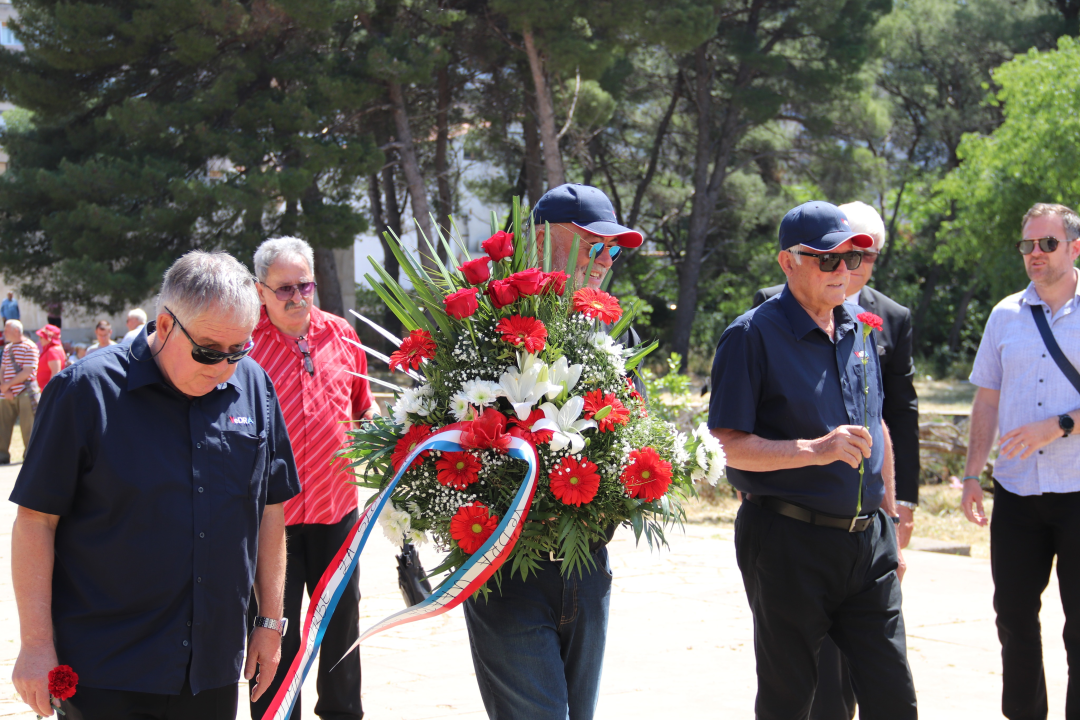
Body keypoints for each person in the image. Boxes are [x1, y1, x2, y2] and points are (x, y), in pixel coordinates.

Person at [9, 251, 301, 720]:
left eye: (238, 349)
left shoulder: (255, 387)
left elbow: (269, 510)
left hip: (211, 667)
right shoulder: (84, 392)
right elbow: (35, 520)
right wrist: (36, 643)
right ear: (165, 325)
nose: (224, 366)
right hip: (106, 666)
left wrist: (269, 622)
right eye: (209, 350)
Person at [709, 200, 916, 719]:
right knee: (792, 700)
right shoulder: (750, 335)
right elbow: (726, 445)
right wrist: (816, 450)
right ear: (788, 261)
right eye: (828, 259)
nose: (843, 270)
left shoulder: (861, 327)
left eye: (853, 258)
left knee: (894, 698)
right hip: (789, 542)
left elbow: (877, 426)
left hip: (868, 544)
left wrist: (890, 518)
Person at [462, 183, 643, 720]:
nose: (606, 261)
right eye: (594, 246)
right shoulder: (486, 327)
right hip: (509, 572)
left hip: (587, 567)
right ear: (541, 242)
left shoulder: (611, 332)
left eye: (614, 251)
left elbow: (634, 433)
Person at [247, 236, 377, 720]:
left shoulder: (342, 335)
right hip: (270, 520)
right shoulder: (244, 347)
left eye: (304, 285)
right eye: (284, 288)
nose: (297, 296)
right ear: (260, 291)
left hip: (336, 510)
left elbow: (364, 412)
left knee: (342, 626)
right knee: (274, 631)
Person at [961, 202, 1080, 720]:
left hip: (1078, 491)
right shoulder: (1004, 314)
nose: (1035, 253)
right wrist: (972, 474)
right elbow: (987, 399)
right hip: (1016, 492)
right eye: (1027, 245)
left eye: (1047, 244)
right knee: (1012, 617)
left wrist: (1057, 425)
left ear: (1075, 248)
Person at [0, 320, 39, 464]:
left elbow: (27, 372)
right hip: (7, 392)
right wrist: (4, 387)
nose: (4, 333)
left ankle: (30, 456)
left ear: (16, 331)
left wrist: (7, 385)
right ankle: (2, 455)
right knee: (2, 426)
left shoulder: (30, 346)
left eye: (6, 330)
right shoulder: (8, 348)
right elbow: (2, 369)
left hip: (25, 392)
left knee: (28, 426)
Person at [35, 324, 66, 389]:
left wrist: (50, 391)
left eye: (41, 337)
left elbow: (55, 373)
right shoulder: (53, 349)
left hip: (49, 391)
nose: (39, 339)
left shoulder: (53, 351)